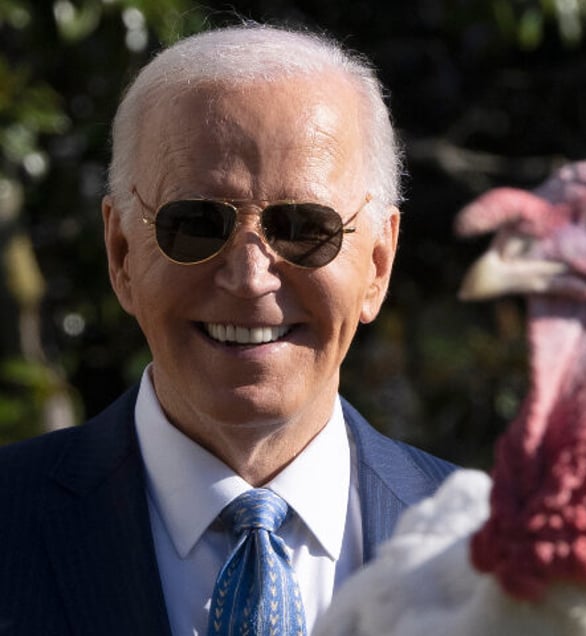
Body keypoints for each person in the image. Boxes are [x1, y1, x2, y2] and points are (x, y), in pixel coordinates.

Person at [0, 24, 456, 635]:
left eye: (303, 226)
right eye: (194, 224)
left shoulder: (493, 553)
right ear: (121, 253)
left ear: (378, 264)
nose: (248, 277)